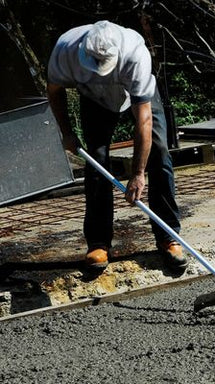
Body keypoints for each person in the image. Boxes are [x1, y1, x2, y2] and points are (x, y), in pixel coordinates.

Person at [47, 20, 188, 270]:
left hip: (135, 93)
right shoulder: (66, 49)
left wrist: (137, 174)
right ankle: (98, 243)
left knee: (159, 151)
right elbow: (54, 90)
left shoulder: (135, 55)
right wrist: (66, 132)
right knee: (97, 160)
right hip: (94, 97)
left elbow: (143, 119)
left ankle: (169, 237)